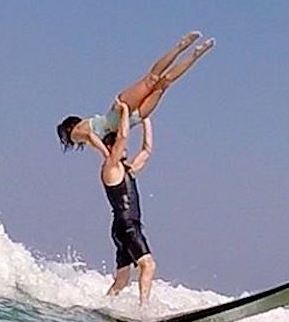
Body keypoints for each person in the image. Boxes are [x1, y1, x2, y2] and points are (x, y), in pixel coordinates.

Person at [57, 31, 215, 158]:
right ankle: (196, 54)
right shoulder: (86, 134)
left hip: (119, 110)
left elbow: (91, 136)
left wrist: (106, 155)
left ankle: (180, 46)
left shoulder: (76, 134)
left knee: (151, 79)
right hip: (133, 119)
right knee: (163, 85)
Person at [101, 102, 157, 302]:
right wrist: (125, 111)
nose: (124, 145)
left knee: (122, 280)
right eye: (117, 143)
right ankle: (144, 309)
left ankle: (104, 306)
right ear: (110, 147)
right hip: (127, 226)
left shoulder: (128, 169)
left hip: (123, 227)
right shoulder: (110, 166)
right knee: (148, 265)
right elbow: (123, 136)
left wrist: (145, 119)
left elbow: (147, 150)